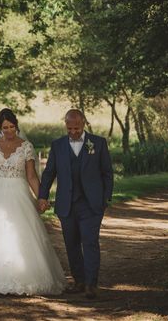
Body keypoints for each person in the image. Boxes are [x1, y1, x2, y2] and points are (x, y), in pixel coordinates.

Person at [0, 108, 66, 296]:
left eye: (11, 127)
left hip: (18, 193)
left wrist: (41, 198)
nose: (8, 131)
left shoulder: (26, 146)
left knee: (19, 234)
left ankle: (24, 278)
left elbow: (31, 176)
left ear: (16, 126)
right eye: (4, 127)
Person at [37, 109, 114, 299]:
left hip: (91, 205)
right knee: (71, 245)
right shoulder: (57, 145)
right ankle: (79, 281)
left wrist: (105, 199)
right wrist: (42, 196)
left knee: (89, 242)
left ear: (84, 123)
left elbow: (107, 173)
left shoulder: (98, 143)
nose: (73, 132)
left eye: (77, 128)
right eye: (69, 128)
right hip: (66, 204)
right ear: (65, 125)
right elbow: (49, 173)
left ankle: (91, 284)